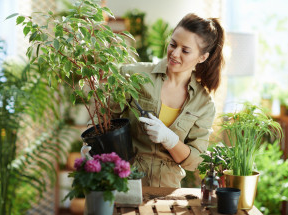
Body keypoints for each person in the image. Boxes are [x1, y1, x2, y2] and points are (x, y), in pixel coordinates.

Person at [85, 13, 225, 188]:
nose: (174, 53)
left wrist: (171, 140)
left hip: (167, 189)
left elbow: (195, 161)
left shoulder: (203, 104)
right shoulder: (134, 75)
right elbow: (102, 121)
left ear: (202, 57)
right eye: (173, 44)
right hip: (125, 182)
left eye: (185, 50)